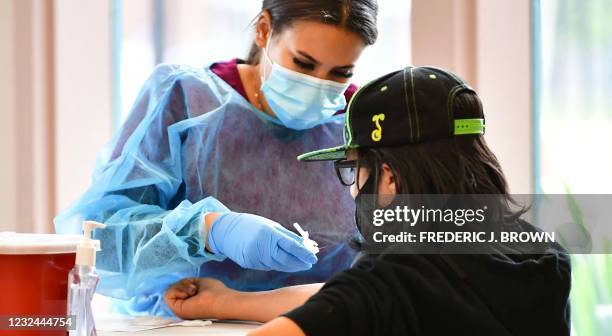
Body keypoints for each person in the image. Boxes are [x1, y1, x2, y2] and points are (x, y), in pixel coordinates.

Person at [163, 66, 572, 335]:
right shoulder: (543, 256)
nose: (355, 188)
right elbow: (341, 300)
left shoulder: (397, 275)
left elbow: (362, 297)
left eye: (355, 170)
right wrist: (226, 301)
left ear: (389, 177)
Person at [54, 0, 379, 316]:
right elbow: (99, 242)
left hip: (323, 324)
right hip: (186, 326)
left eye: (341, 73)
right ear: (264, 30)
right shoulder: (188, 100)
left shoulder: (367, 125)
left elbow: (405, 260)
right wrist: (208, 230)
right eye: (303, 64)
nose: (318, 85)